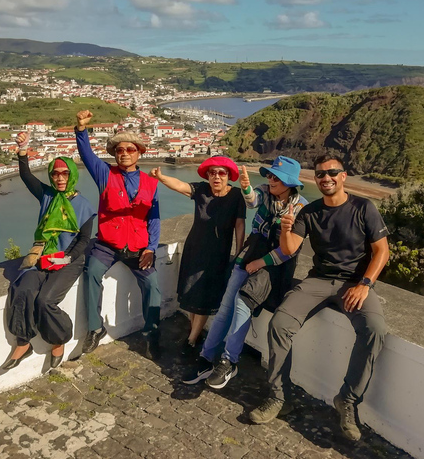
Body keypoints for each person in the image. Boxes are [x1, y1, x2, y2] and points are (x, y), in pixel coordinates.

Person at [248, 155, 389, 442]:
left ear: (343, 176)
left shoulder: (364, 207)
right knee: (280, 324)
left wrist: (364, 284)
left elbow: (382, 251)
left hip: (355, 283)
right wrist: (286, 229)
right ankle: (279, 397)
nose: (326, 178)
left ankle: (347, 401)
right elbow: (288, 250)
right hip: (318, 281)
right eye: (321, 174)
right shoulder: (309, 212)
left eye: (332, 173)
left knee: (374, 331)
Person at [182, 156, 308, 390]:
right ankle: (206, 357)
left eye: (276, 177)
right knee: (224, 307)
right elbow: (252, 201)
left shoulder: (300, 208)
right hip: (250, 253)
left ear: (289, 182)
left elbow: (289, 251)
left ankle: (229, 360)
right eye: (269, 175)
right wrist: (246, 186)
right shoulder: (264, 191)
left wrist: (261, 262)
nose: (270, 180)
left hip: (273, 263)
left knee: (242, 302)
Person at [1, 131, 96, 370]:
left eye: (65, 173)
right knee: (22, 289)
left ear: (72, 175)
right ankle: (23, 343)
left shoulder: (83, 205)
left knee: (45, 301)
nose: (60, 177)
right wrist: (23, 149)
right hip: (42, 257)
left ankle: (58, 340)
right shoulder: (47, 196)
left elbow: (84, 239)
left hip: (69, 260)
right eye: (56, 173)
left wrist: (66, 258)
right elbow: (26, 175)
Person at [75, 110, 163, 359]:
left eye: (130, 149)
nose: (124, 153)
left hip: (137, 246)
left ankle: (152, 332)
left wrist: (151, 248)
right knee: (91, 272)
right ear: (114, 154)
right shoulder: (105, 174)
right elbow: (87, 155)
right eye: (119, 150)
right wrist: (81, 129)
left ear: (139, 152)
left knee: (152, 284)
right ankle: (95, 328)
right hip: (107, 245)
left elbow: (154, 219)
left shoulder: (150, 183)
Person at [149, 157, 246, 355]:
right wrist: (160, 176)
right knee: (192, 292)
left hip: (217, 253)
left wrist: (239, 252)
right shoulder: (201, 189)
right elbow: (180, 186)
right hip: (194, 249)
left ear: (228, 176)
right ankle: (196, 332)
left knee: (205, 298)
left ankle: (192, 339)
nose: (216, 177)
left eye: (221, 173)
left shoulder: (236, 195)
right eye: (212, 173)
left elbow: (240, 225)